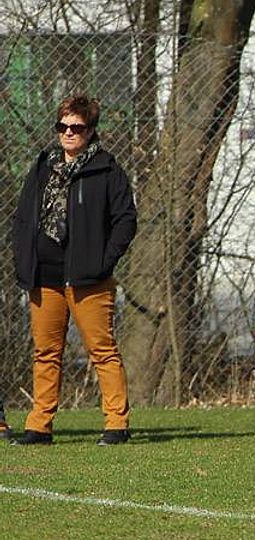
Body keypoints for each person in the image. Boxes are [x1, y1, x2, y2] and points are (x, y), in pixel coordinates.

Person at [11, 94, 137, 446]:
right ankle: (39, 426)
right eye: (62, 126)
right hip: (43, 275)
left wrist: (102, 262)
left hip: (88, 278)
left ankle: (117, 424)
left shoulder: (106, 170)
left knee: (102, 350)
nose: (68, 133)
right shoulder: (43, 166)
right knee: (45, 352)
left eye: (76, 127)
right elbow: (23, 217)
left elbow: (126, 220)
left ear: (91, 130)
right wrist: (23, 257)